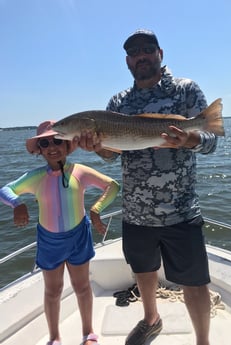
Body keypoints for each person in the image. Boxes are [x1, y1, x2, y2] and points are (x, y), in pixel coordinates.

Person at [77, 29, 218, 345]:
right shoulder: (118, 102)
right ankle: (151, 319)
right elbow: (111, 155)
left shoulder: (186, 90)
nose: (140, 56)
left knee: (195, 281)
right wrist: (96, 147)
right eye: (134, 52)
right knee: (143, 271)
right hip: (136, 212)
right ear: (128, 61)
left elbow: (211, 142)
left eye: (147, 49)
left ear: (159, 54)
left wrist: (190, 138)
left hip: (181, 210)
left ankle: (204, 342)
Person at [0, 121, 120, 345]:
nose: (52, 146)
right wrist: (17, 204)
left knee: (82, 286)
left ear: (68, 145)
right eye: (45, 143)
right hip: (49, 241)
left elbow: (112, 186)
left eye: (57, 140)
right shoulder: (35, 177)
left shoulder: (80, 172)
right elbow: (5, 190)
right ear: (40, 150)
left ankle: (88, 333)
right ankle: (54, 337)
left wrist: (96, 210)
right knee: (53, 290)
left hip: (78, 236)